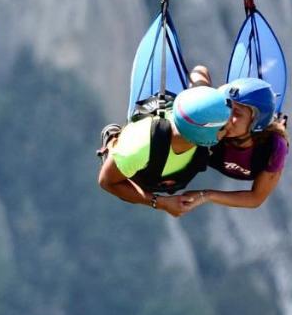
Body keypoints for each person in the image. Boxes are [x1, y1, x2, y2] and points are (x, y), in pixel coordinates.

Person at [97, 86, 232, 217]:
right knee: (132, 179)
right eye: (225, 125)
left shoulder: (198, 129)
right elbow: (107, 182)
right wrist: (161, 203)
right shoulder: (138, 148)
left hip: (162, 166)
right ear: (205, 133)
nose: (232, 125)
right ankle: (112, 142)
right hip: (139, 166)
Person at [179, 72, 290, 211]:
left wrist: (205, 196)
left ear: (256, 122)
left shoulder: (274, 147)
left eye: (237, 113)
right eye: (228, 107)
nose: (227, 116)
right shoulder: (215, 121)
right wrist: (198, 91)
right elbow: (201, 71)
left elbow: (255, 198)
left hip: (256, 152)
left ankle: (274, 120)